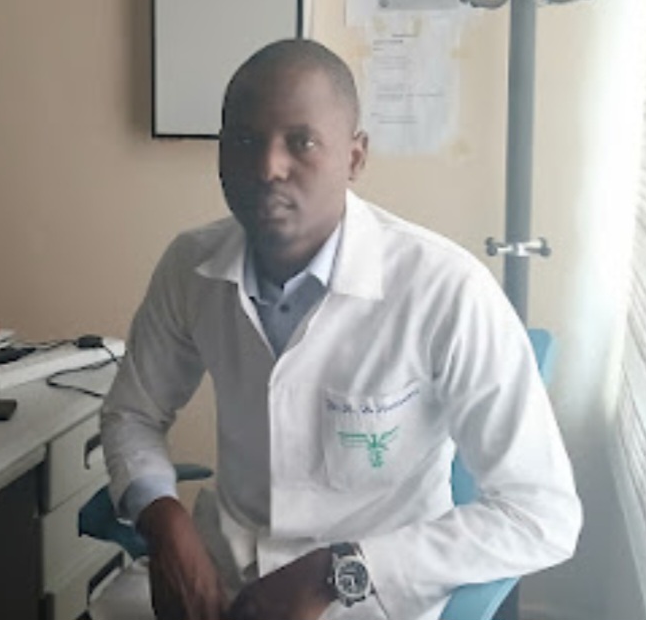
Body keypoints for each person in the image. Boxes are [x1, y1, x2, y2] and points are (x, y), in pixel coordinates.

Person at [100, 38, 582, 620]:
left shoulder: (445, 289)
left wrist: (345, 570)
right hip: (225, 580)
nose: (267, 168)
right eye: (245, 141)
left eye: (300, 142)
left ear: (354, 158)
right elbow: (134, 413)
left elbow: (542, 514)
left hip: (370, 599)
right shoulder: (191, 266)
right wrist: (163, 519)